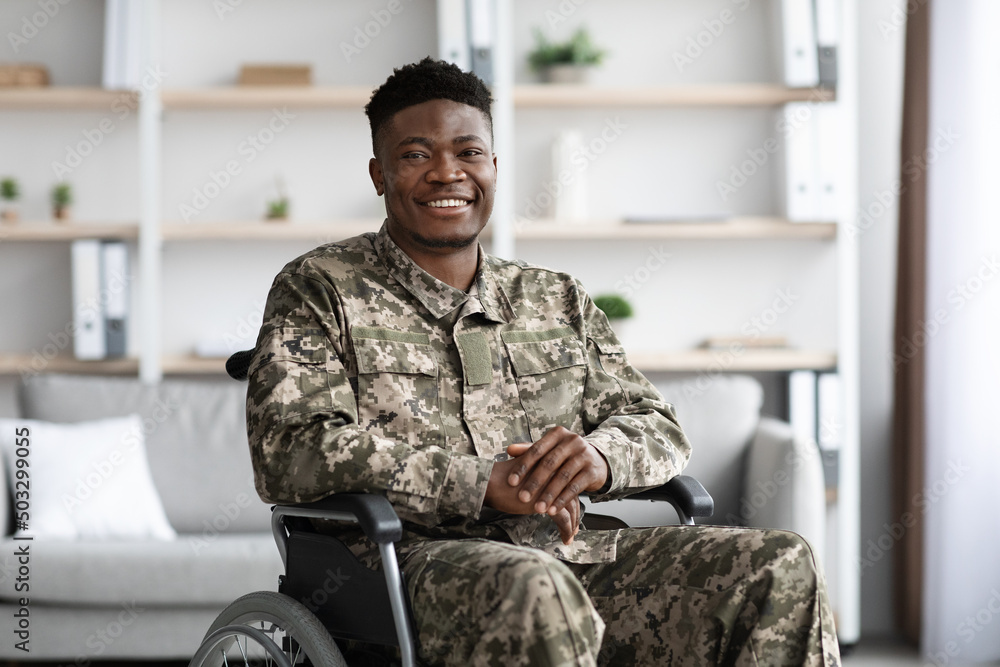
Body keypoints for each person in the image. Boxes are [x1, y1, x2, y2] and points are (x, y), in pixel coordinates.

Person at [246, 57, 841, 666]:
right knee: (537, 590)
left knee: (778, 564)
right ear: (379, 174)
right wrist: (480, 484)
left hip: (569, 551)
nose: (447, 172)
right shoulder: (319, 287)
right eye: (416, 155)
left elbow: (656, 425)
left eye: (468, 152)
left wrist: (598, 456)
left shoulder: (556, 297)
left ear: (495, 167)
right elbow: (293, 450)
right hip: (401, 566)